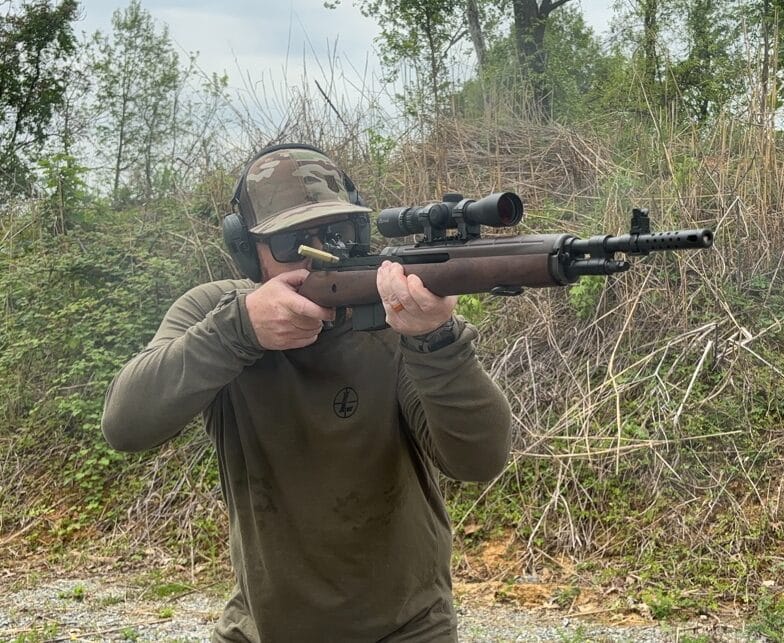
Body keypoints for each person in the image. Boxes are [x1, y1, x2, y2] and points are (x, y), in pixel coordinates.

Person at [101, 143, 512, 642]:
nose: (322, 254)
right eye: (293, 241)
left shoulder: (402, 315)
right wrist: (239, 330)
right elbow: (125, 425)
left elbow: (478, 460)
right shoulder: (218, 314)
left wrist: (436, 341)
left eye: (336, 233)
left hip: (408, 628)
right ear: (248, 254)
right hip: (261, 629)